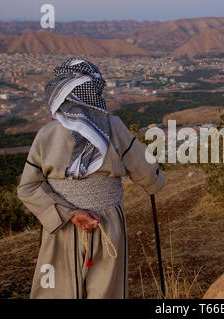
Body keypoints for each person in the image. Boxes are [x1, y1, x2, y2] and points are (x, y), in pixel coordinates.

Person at [17, 57, 165, 299]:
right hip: (107, 223)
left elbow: (28, 187)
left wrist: (70, 214)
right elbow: (146, 171)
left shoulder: (46, 135)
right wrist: (155, 182)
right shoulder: (113, 127)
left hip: (61, 225)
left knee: (57, 290)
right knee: (105, 289)